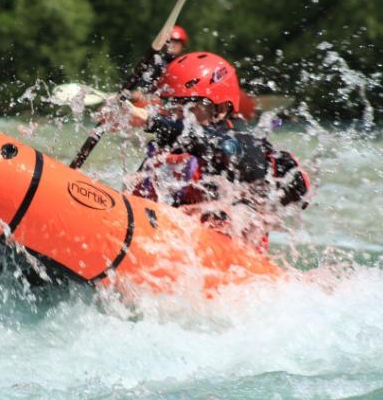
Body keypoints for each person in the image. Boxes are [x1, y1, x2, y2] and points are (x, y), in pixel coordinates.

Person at [103, 51, 309, 250]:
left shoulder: (240, 145)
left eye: (187, 104)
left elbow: (211, 141)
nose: (176, 113)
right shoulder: (165, 149)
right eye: (171, 103)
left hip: (226, 258)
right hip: (170, 241)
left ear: (220, 110)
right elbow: (133, 203)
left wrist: (151, 120)